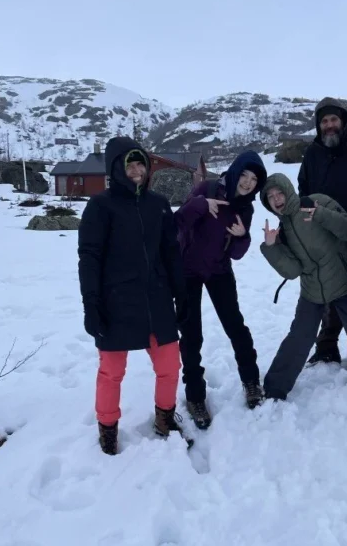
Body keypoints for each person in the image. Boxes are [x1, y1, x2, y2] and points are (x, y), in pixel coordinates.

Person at [78, 136, 188, 455]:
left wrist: (181, 295)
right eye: (130, 165)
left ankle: (165, 418)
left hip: (156, 300)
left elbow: (171, 253)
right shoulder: (100, 206)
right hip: (116, 303)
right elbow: (89, 257)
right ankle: (108, 429)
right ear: (116, 169)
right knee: (111, 372)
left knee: (170, 365)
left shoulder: (159, 204)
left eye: (141, 164)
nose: (137, 170)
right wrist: (91, 304)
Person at [259, 173, 347, 407]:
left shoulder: (317, 201)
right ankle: (274, 389)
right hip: (312, 290)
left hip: (344, 283)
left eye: (279, 193)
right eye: (270, 197)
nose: (276, 199)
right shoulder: (283, 230)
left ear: (289, 191)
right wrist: (271, 247)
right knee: (299, 337)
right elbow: (293, 271)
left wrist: (321, 214)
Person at [175, 150, 267, 429]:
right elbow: (178, 222)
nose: (248, 182)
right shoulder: (207, 188)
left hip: (219, 270)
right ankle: (195, 396)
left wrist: (242, 237)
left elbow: (237, 253)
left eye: (254, 179)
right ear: (236, 171)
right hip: (187, 270)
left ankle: (251, 381)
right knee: (191, 334)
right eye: (245, 175)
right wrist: (200, 205)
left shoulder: (246, 208)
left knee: (235, 326)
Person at [297, 97, 347, 371]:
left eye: (333, 120)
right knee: (328, 289)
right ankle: (326, 348)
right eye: (324, 121)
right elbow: (303, 187)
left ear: (343, 121)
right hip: (323, 234)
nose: (329, 125)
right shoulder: (313, 153)